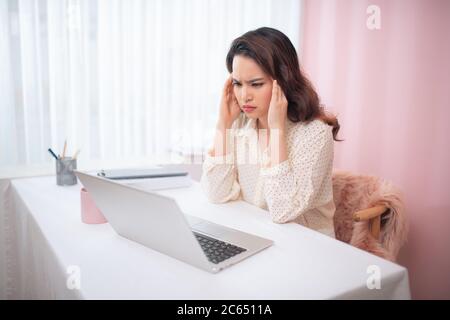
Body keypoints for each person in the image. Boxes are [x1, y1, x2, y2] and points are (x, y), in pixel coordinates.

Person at [200, 27, 341, 238]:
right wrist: (223, 124)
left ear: (284, 81)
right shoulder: (240, 123)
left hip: (306, 247)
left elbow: (283, 210)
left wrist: (276, 132)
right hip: (255, 237)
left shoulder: (315, 135)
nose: (244, 95)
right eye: (237, 83)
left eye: (256, 84)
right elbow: (216, 193)